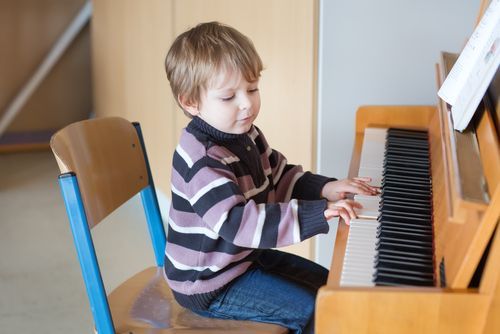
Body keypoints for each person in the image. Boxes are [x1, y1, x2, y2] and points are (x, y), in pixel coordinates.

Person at [163, 21, 378, 334]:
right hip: (210, 282)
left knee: (331, 287)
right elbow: (238, 224)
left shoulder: (244, 135)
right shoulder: (203, 160)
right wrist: (316, 213)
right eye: (228, 97)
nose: (247, 103)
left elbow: (277, 176)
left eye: (252, 89)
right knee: (315, 312)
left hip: (242, 261)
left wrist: (326, 188)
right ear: (190, 102)